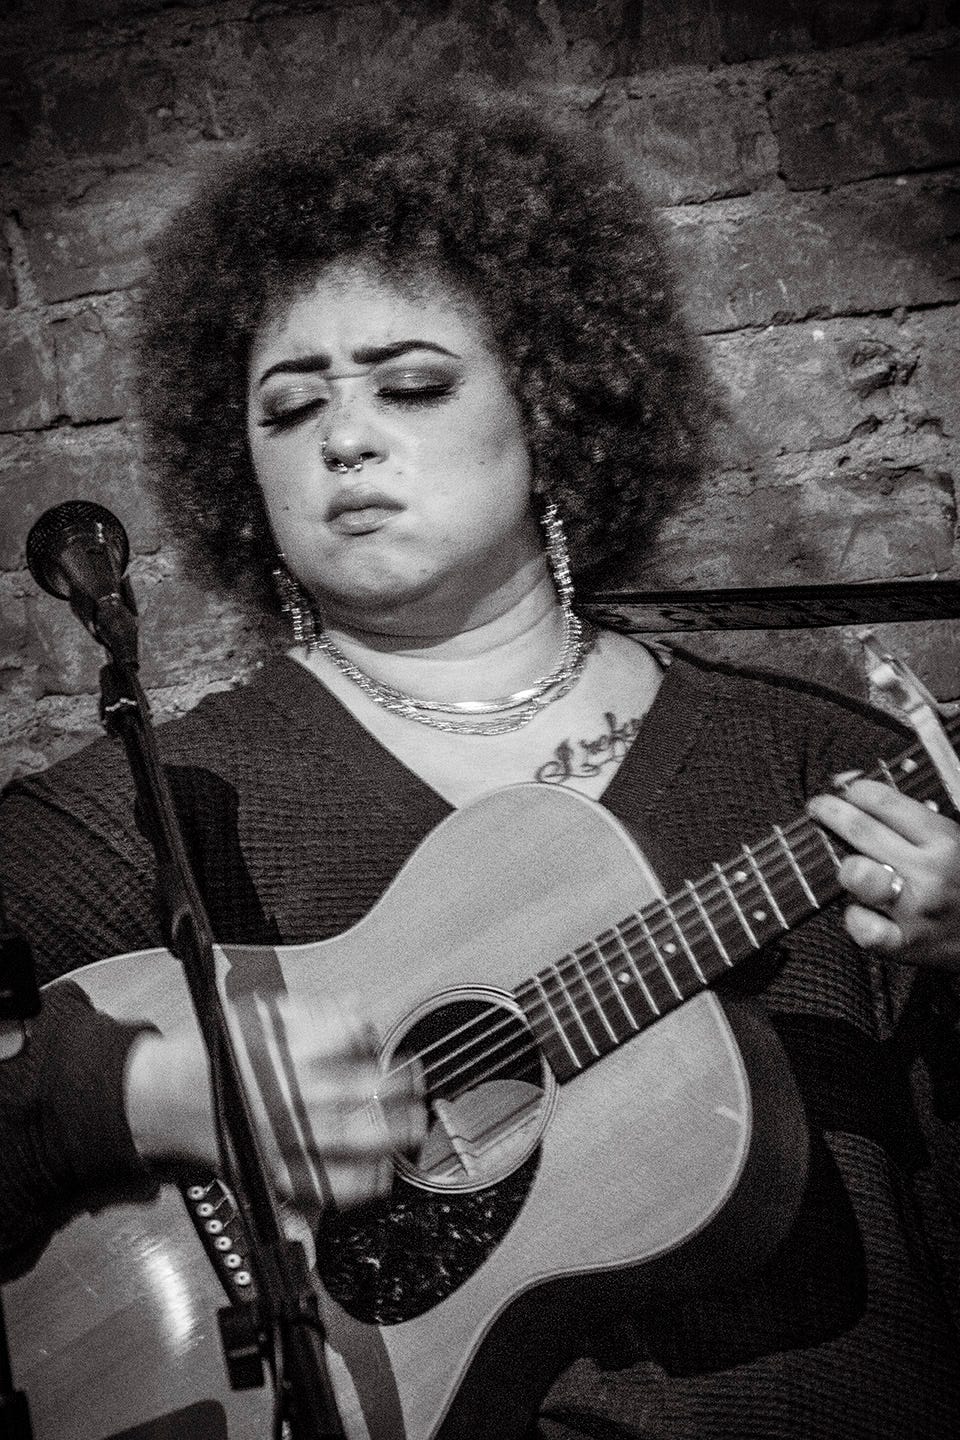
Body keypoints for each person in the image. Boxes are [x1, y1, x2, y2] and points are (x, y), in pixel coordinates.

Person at [2, 78, 960, 1438]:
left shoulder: (824, 766)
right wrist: (143, 1095)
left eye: (411, 385)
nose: (345, 438)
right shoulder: (172, 804)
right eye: (289, 410)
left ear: (552, 410)